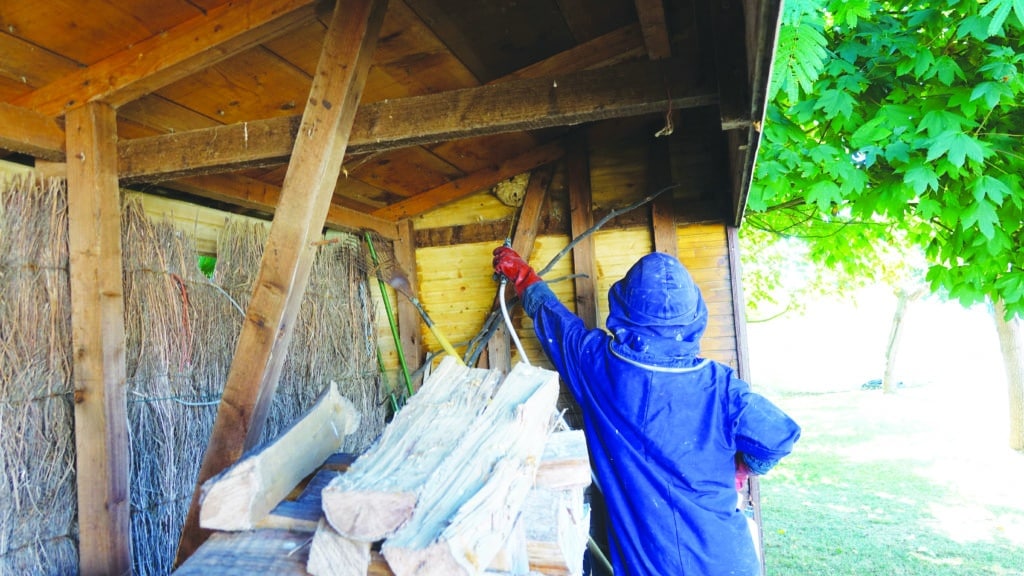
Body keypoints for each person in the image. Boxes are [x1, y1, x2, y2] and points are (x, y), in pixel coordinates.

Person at [492, 247, 801, 576]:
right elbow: (779, 437)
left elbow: (556, 324)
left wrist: (522, 275)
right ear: (695, 317)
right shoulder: (722, 387)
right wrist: (744, 467)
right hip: (729, 562)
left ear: (623, 309)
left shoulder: (599, 367)